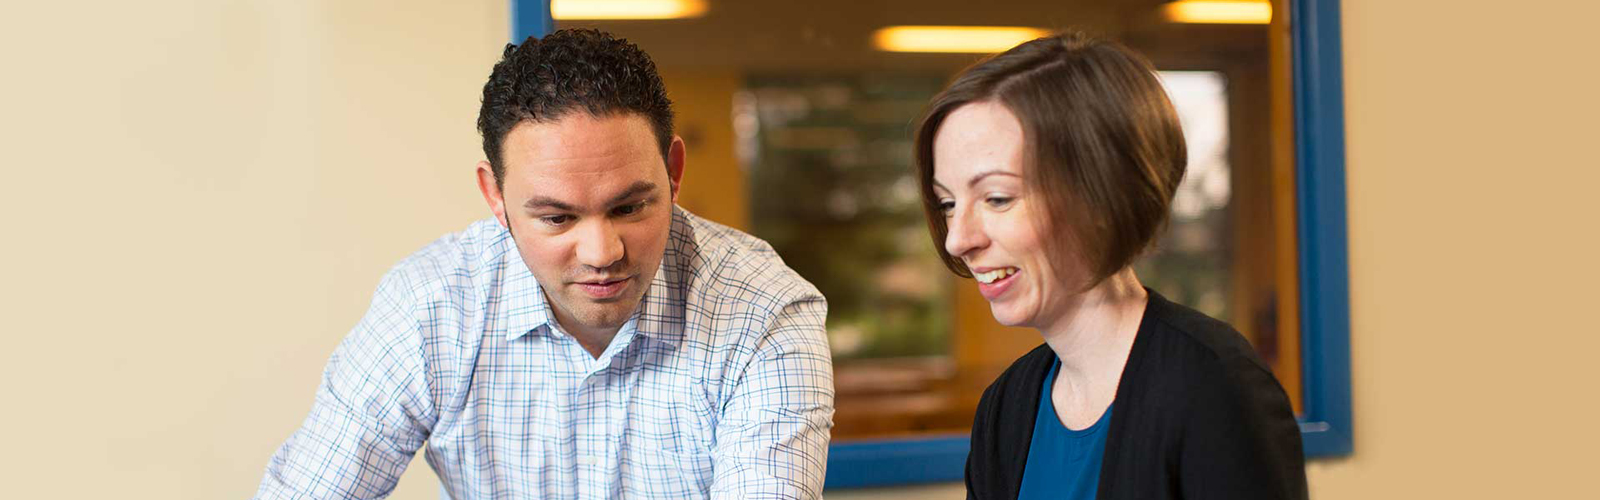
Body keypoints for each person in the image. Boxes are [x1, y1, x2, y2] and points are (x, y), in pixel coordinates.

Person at [255, 29, 833, 499]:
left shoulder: (764, 311)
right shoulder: (432, 307)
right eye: (557, 218)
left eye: (630, 206)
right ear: (496, 198)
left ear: (674, 171)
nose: (603, 253)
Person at [914, 31, 1307, 499]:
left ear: (1100, 196)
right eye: (947, 203)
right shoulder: (1007, 406)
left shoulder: (1215, 385)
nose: (959, 239)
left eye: (998, 198)